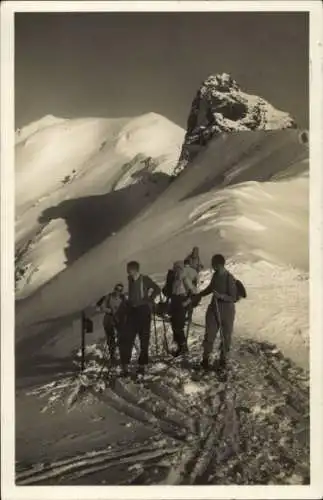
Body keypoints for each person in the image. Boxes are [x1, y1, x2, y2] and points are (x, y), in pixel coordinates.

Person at [197, 254, 237, 375]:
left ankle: (223, 361)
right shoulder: (215, 275)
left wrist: (221, 296)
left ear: (218, 264)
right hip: (214, 309)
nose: (212, 267)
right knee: (210, 334)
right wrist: (200, 294)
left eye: (213, 264)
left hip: (227, 311)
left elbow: (233, 297)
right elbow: (211, 288)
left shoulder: (229, 278)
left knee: (225, 337)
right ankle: (205, 359)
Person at [122, 261, 161, 376]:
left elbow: (157, 289)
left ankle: (142, 366)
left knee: (144, 338)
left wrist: (149, 299)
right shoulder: (130, 280)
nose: (127, 271)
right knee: (128, 338)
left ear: (135, 270)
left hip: (143, 311)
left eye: (129, 269)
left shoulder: (144, 279)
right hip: (132, 311)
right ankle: (125, 366)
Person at [168, 260, 198, 357]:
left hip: (181, 303)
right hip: (174, 302)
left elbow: (194, 293)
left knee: (178, 327)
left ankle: (183, 348)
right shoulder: (175, 280)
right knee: (174, 326)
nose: (176, 271)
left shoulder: (185, 279)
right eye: (175, 269)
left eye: (178, 269)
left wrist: (186, 302)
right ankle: (178, 347)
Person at [96, 283, 127, 366]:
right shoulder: (108, 297)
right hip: (109, 320)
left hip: (119, 320)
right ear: (114, 289)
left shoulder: (123, 298)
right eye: (117, 289)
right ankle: (112, 357)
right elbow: (102, 307)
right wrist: (111, 311)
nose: (118, 291)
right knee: (111, 339)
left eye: (120, 290)